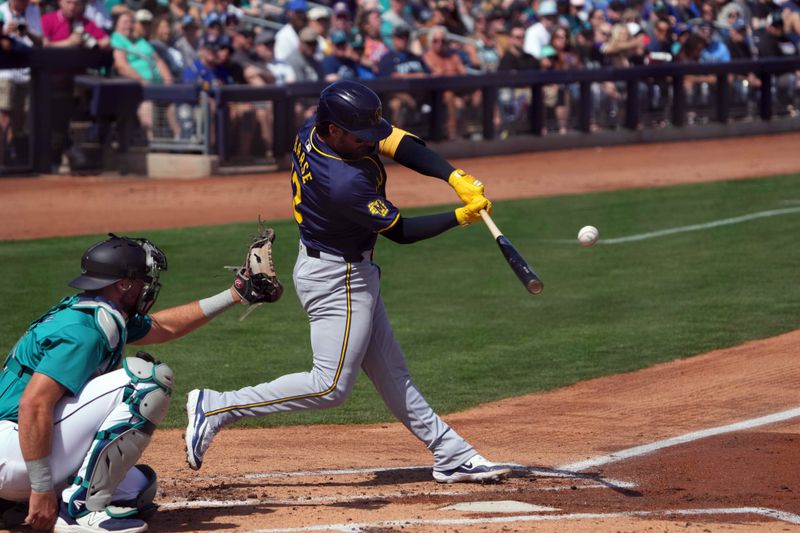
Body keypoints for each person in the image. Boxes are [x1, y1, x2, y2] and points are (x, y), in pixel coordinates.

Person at [185, 80, 512, 485]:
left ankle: (450, 453)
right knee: (330, 387)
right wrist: (459, 216)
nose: (370, 144)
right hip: (336, 279)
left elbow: (394, 141)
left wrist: (453, 175)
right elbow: (402, 231)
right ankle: (216, 407)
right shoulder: (344, 183)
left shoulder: (318, 129)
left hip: (346, 268)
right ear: (334, 131)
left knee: (393, 373)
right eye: (361, 138)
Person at [0, 233, 278, 532]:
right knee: (146, 383)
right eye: (143, 280)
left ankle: (11, 505)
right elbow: (34, 404)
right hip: (13, 451)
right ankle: (78, 511)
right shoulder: (83, 333)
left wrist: (235, 294)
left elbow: (164, 326)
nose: (147, 287)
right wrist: (41, 489)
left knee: (136, 488)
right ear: (124, 284)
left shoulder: (98, 311)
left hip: (17, 448)